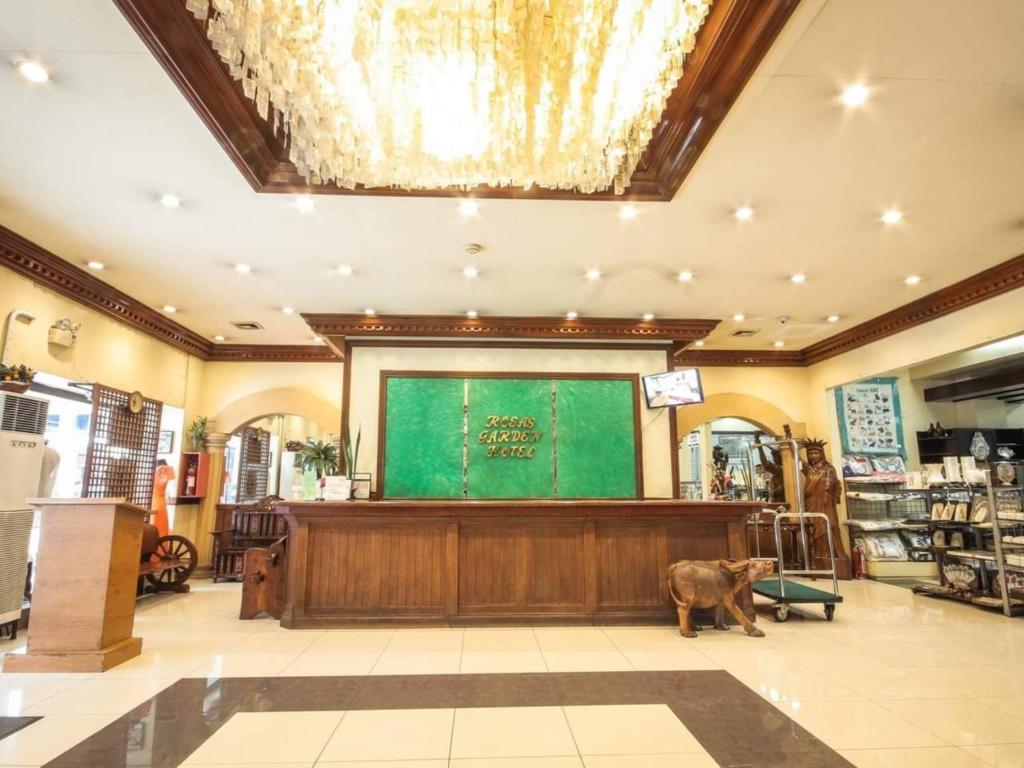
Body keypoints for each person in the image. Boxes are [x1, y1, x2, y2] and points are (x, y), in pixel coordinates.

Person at [801, 439, 851, 578]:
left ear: (821, 454)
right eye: (810, 453)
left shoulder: (829, 469)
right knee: (814, 530)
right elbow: (797, 459)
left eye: (816, 452)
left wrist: (831, 496)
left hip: (827, 505)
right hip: (812, 503)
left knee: (831, 527)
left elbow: (836, 485)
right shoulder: (808, 469)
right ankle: (817, 558)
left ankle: (833, 556)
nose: (813, 456)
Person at [151, 459, 175, 538]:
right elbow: (170, 471)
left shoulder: (153, 474)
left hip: (153, 501)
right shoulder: (163, 474)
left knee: (154, 524)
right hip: (161, 502)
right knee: (161, 527)